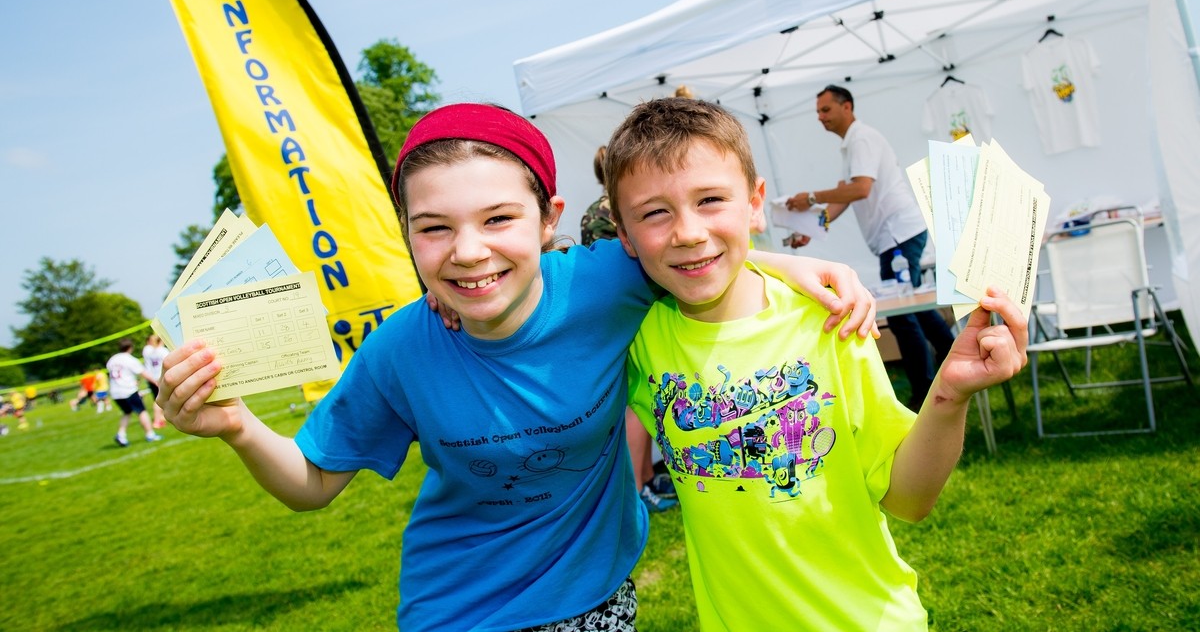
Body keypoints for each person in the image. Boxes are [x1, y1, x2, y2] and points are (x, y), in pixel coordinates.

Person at [158, 102, 879, 632]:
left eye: (497, 219)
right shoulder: (400, 349)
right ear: (407, 237)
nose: (468, 251)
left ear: (548, 219)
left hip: (596, 599)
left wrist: (793, 262)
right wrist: (237, 426)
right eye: (434, 228)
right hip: (458, 612)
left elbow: (694, 250)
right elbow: (313, 482)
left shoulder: (605, 281)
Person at [607, 96, 1027, 631]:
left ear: (755, 203)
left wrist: (948, 396)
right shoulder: (639, 338)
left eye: (711, 199)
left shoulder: (828, 320)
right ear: (624, 233)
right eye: (655, 213)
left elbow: (909, 498)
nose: (688, 231)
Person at [786, 84, 956, 408]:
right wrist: (813, 229)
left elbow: (860, 189)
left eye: (825, 110)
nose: (820, 118)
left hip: (898, 235)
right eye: (818, 112)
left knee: (904, 316)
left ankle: (925, 395)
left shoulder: (861, 138)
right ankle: (954, 365)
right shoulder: (851, 145)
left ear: (846, 107)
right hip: (897, 236)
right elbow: (846, 196)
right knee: (916, 309)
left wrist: (809, 198)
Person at [581, 144, 677, 513]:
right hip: (633, 312)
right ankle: (640, 487)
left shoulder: (599, 209)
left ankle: (645, 480)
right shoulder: (615, 210)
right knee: (635, 406)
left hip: (621, 311)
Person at [106, 338, 162, 447]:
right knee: (142, 411)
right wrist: (155, 382)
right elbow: (143, 372)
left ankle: (121, 434)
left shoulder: (112, 359)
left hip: (115, 392)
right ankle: (150, 434)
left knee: (127, 412)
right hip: (128, 390)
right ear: (130, 348)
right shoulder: (129, 359)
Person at [142, 334, 169, 429]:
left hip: (151, 378)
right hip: (160, 377)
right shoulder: (163, 351)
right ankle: (157, 421)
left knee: (157, 399)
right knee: (160, 400)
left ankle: (161, 418)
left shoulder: (149, 352)